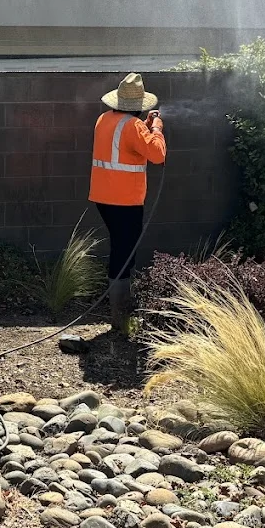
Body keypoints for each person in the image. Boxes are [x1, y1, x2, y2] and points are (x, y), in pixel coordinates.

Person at [88, 73, 166, 334]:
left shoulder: (104, 119)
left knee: (122, 250)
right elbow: (157, 154)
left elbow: (126, 144)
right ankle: (119, 319)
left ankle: (120, 314)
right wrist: (155, 128)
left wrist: (144, 126)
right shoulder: (134, 127)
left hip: (104, 198)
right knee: (124, 254)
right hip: (125, 201)